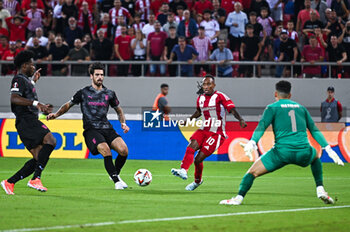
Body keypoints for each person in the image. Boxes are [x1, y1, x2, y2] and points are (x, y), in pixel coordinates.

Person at [219, 80, 344, 206]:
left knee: (252, 173)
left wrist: (253, 142)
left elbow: (262, 126)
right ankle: (320, 189)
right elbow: (314, 129)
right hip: (303, 151)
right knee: (315, 157)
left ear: (275, 94)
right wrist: (328, 148)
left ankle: (238, 199)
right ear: (290, 95)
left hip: (281, 153)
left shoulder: (272, 107)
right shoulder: (301, 108)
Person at [47, 62, 129, 190]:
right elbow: (68, 105)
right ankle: (116, 181)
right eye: (97, 75)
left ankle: (115, 173)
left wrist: (123, 123)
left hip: (107, 128)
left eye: (102, 75)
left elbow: (119, 110)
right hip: (91, 130)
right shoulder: (83, 93)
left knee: (124, 150)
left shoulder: (110, 93)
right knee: (105, 150)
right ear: (91, 76)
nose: (100, 77)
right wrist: (56, 115)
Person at [171, 75, 246, 190]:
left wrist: (240, 119)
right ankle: (183, 170)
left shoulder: (220, 96)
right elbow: (198, 112)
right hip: (203, 129)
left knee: (198, 159)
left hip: (217, 133)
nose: (206, 86)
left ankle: (197, 181)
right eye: (204, 84)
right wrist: (189, 120)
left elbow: (232, 109)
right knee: (191, 146)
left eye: (208, 84)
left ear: (213, 85)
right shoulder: (200, 98)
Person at [1, 50, 57, 195]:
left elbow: (26, 94)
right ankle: (35, 179)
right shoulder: (18, 79)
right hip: (26, 120)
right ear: (24, 65)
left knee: (39, 159)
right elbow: (14, 98)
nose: (33, 66)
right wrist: (37, 104)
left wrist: (42, 108)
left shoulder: (26, 81)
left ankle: (10, 182)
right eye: (31, 64)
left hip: (29, 120)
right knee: (51, 140)